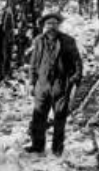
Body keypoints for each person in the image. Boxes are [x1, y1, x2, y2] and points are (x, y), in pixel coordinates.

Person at [26, 9, 83, 156]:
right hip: (42, 84)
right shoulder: (39, 41)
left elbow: (77, 63)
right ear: (44, 26)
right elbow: (33, 63)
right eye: (48, 24)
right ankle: (37, 145)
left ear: (58, 26)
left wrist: (74, 80)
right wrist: (32, 82)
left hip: (60, 85)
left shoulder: (68, 41)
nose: (51, 27)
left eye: (54, 24)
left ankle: (57, 148)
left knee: (59, 118)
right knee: (38, 116)